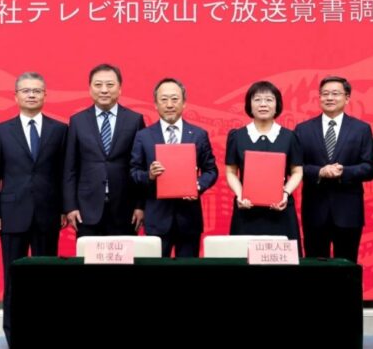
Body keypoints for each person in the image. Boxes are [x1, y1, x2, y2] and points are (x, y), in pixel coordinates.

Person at [0, 72, 68, 346]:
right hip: (12, 214)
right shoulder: (2, 130)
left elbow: (64, 173)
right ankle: (13, 335)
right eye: (26, 90)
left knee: (46, 278)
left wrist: (65, 208)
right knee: (13, 279)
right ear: (16, 96)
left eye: (37, 90)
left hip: (48, 213)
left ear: (45, 95)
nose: (31, 95)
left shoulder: (60, 130)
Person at [130, 78, 218, 257]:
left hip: (189, 219)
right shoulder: (143, 136)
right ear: (155, 104)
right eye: (164, 99)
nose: (169, 104)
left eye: (175, 99)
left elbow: (211, 170)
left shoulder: (199, 135)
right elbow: (133, 172)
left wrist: (198, 185)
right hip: (157, 218)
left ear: (184, 103)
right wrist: (149, 175)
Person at [295, 75, 373, 263]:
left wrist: (343, 172)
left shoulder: (361, 129)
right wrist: (319, 172)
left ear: (347, 98)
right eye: (325, 94)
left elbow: (369, 168)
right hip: (315, 210)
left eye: (335, 93)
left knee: (347, 266)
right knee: (314, 266)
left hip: (348, 211)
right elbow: (295, 167)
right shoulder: (303, 129)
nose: (329, 98)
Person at [63, 64, 146, 236]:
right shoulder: (77, 121)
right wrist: (70, 206)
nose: (104, 90)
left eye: (110, 85)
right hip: (86, 209)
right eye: (98, 85)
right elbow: (70, 168)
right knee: (89, 254)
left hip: (125, 209)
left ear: (120, 88)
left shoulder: (134, 120)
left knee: (124, 254)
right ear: (90, 89)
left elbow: (140, 166)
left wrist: (140, 206)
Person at [225, 81, 303, 247]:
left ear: (277, 105)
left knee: (282, 260)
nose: (263, 104)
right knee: (244, 259)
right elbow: (231, 171)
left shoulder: (289, 136)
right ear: (249, 105)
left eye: (269, 100)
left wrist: (285, 194)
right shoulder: (237, 136)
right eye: (257, 99)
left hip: (280, 210)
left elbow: (297, 171)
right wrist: (240, 194)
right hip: (247, 209)